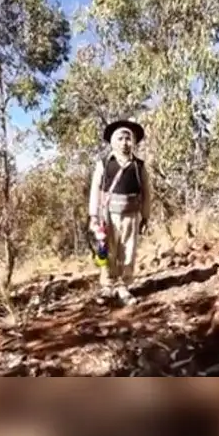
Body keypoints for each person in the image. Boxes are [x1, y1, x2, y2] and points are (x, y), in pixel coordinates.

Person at [88, 119, 153, 304]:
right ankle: (108, 286)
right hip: (107, 217)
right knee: (107, 251)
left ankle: (124, 286)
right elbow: (95, 191)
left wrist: (145, 216)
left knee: (129, 251)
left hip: (131, 216)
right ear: (112, 142)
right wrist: (94, 216)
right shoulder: (104, 164)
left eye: (128, 138)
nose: (125, 142)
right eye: (120, 138)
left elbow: (147, 193)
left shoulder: (139, 166)